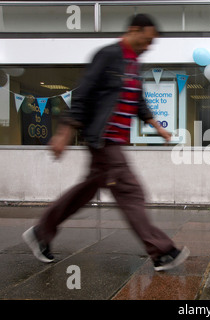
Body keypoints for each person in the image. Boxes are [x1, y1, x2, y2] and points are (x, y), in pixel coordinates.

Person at [22, 14, 189, 272]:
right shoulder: (109, 55)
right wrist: (64, 131)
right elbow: (84, 91)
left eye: (151, 44)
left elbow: (138, 103)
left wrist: (159, 129)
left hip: (113, 143)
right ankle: (162, 251)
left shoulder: (133, 63)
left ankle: (42, 232)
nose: (148, 47)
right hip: (105, 138)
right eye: (146, 40)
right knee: (130, 192)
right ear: (134, 30)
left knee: (86, 190)